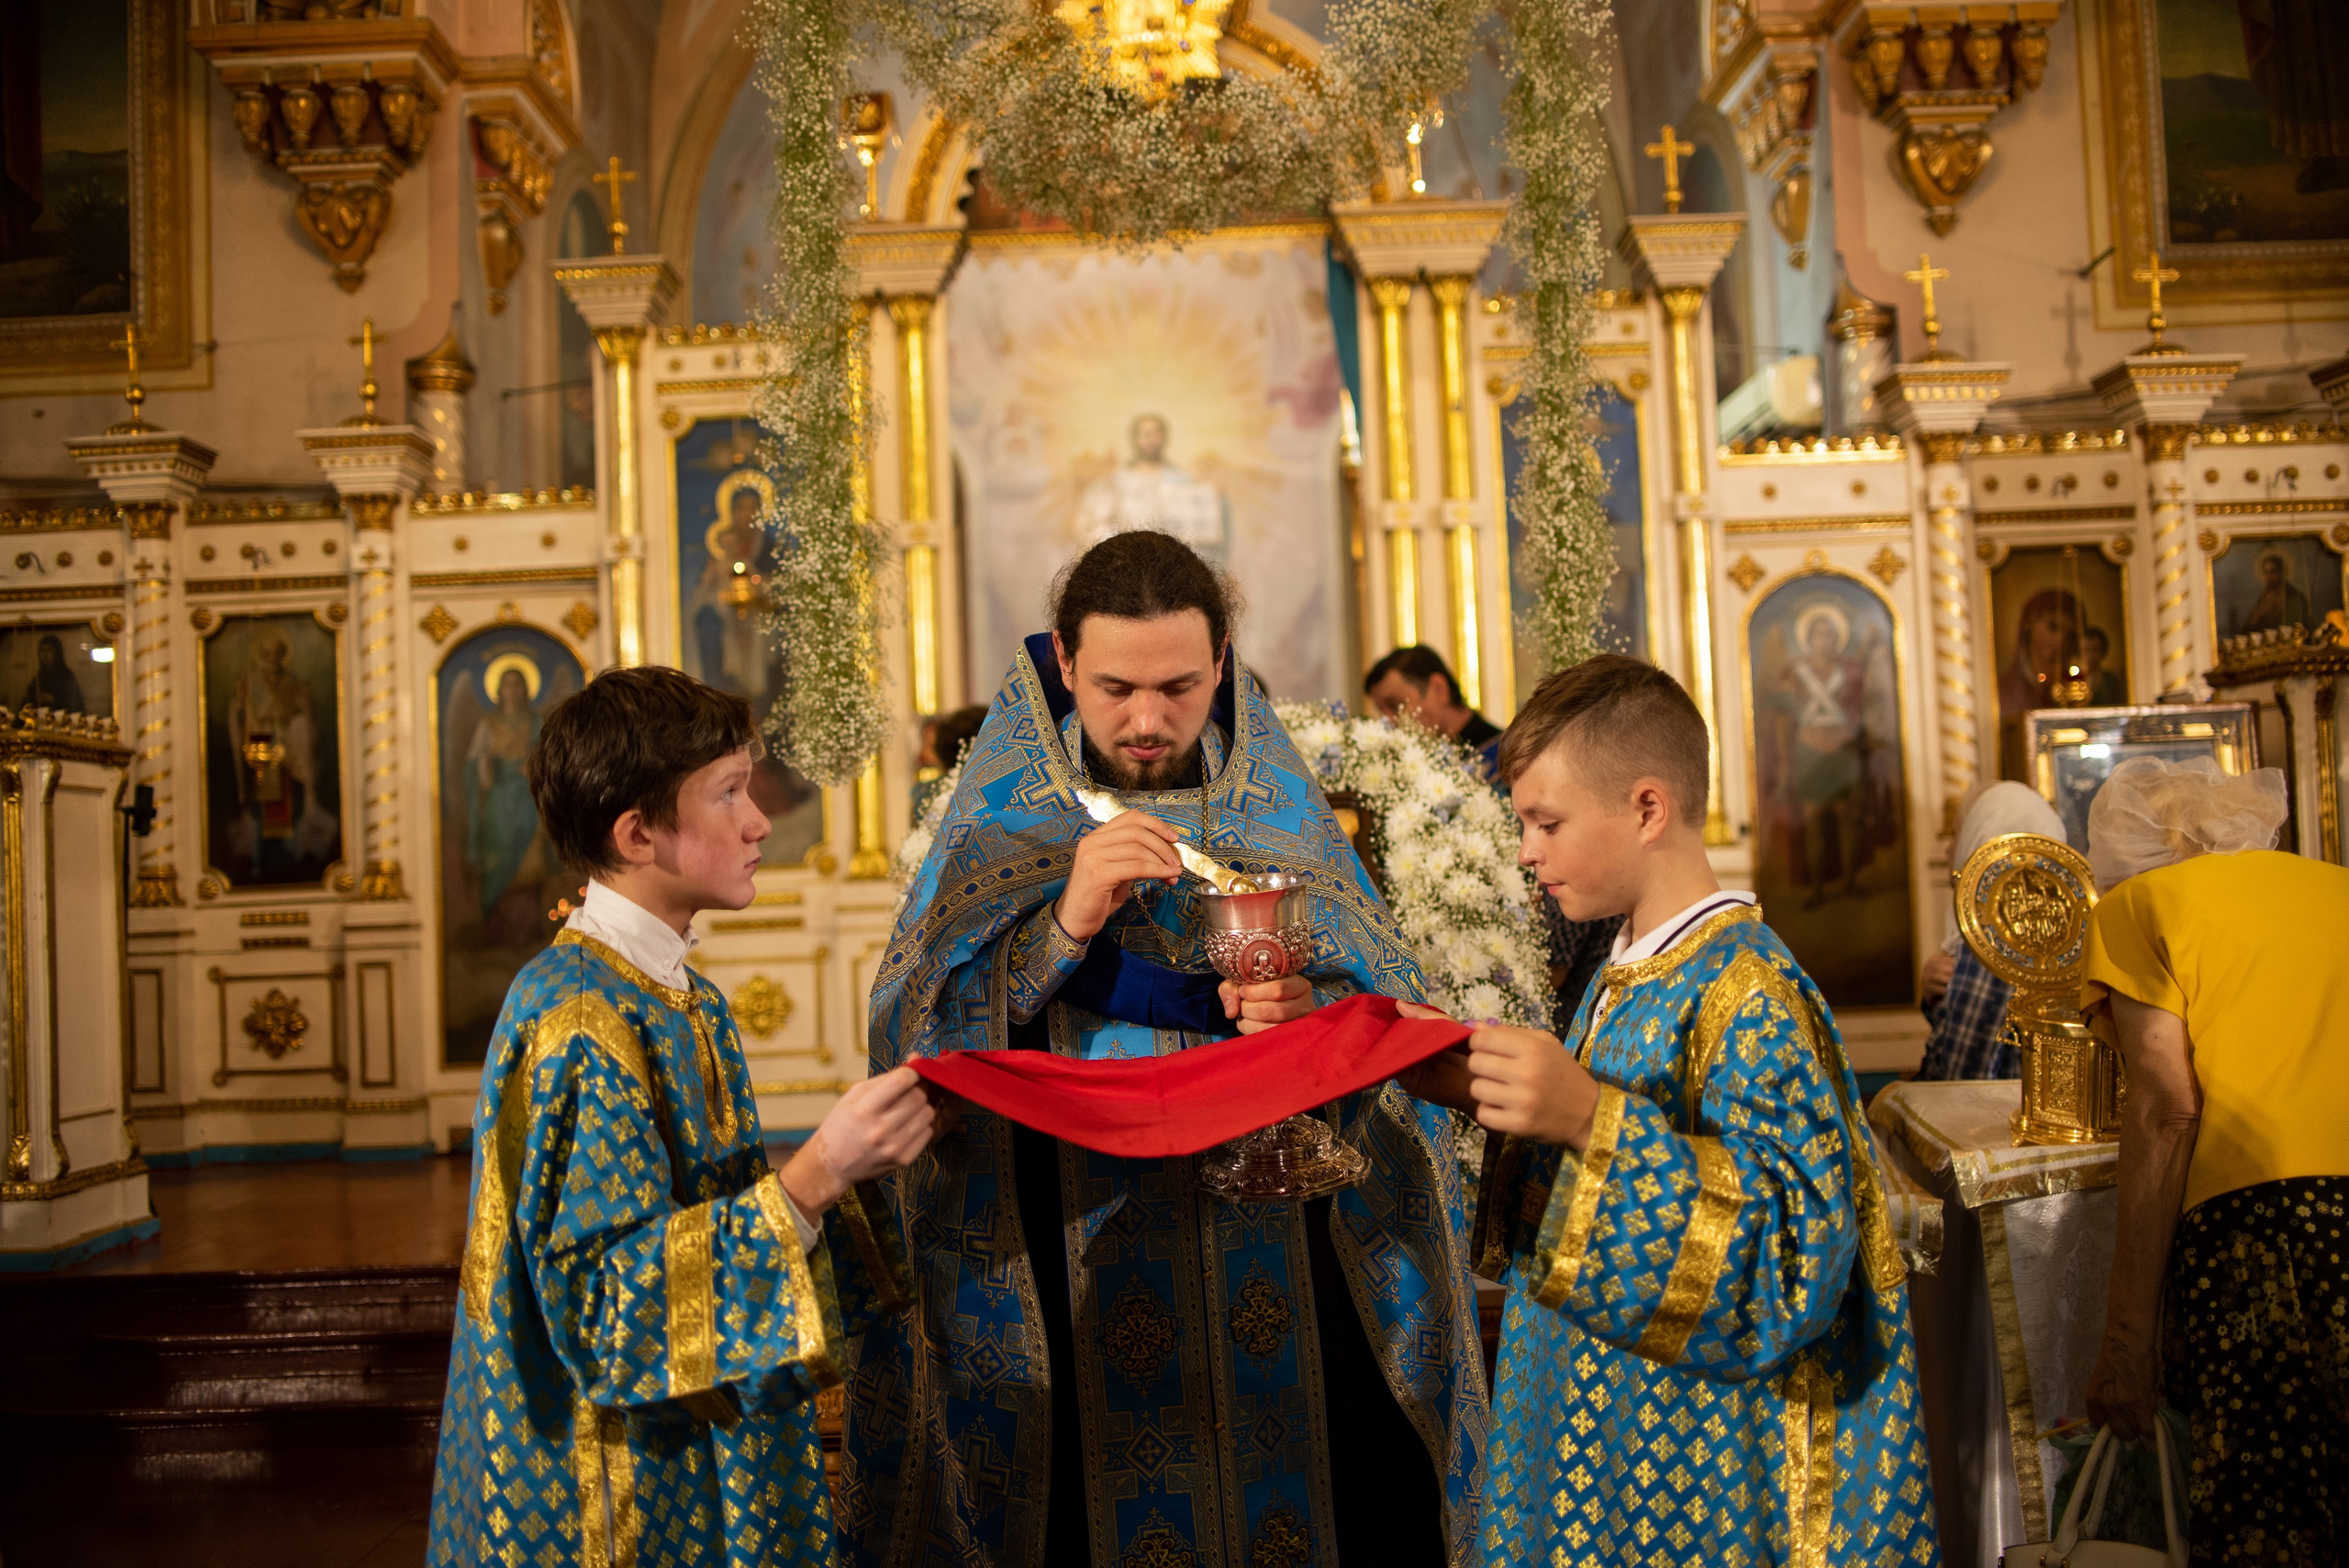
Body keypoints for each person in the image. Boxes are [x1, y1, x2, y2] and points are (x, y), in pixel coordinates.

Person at [850, 530, 1487, 1566]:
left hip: (1274, 1228)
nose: (1147, 720)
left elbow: (1378, 990)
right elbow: (911, 1025)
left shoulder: (1278, 807)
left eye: (1179, 686)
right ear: (1062, 662)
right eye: (1115, 687)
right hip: (1078, 1223)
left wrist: (1302, 1007)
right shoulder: (1002, 819)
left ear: (1223, 660)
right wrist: (1065, 918)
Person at [1399, 653, 1938, 1567]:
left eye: (1546, 821)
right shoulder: (1637, 966)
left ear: (1647, 807)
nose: (1527, 849)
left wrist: (1588, 1120)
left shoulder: (1748, 991)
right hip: (1606, 1434)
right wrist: (1466, 1081)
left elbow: (1793, 1265)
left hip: (1703, 1470)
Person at [429, 666, 944, 1568]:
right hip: (610, 1487)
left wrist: (865, 1168)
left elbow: (711, 1217)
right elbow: (601, 1309)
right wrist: (817, 1173)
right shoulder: (577, 1018)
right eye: (729, 793)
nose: (759, 820)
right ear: (637, 833)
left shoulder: (677, 994)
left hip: (688, 1438)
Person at [2079, 754, 2347, 1564]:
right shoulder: (2335, 888)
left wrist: (2128, 1338)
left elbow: (2167, 1109)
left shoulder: (2140, 904)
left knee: (2274, 1512)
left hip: (2266, 1233)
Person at [1916, 780, 2068, 1080]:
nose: (1948, 849)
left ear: (1983, 838)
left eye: (1959, 832)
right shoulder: (2065, 929)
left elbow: (1957, 1080)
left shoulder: (1988, 941)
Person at [1364, 645, 1502, 773]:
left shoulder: (1506, 755)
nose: (1389, 721)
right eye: (1382, 712)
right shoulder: (1414, 767)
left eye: (1396, 706)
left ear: (1439, 689)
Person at [21, 633, 85, 713]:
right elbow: (25, 705)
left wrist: (54, 699)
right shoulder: (39, 677)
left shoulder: (66, 676)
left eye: (48, 650)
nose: (44, 655)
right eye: (41, 651)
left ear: (57, 653)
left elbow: (75, 705)